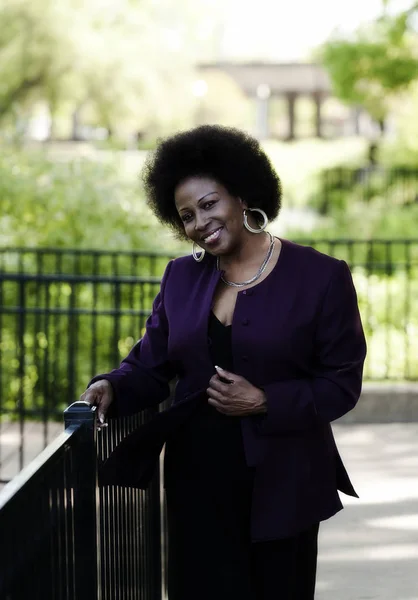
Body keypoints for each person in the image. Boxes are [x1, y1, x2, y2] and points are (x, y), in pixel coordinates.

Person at [81, 125, 367, 600]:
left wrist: (265, 400)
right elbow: (151, 364)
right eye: (186, 215)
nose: (200, 222)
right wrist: (111, 386)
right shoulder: (181, 277)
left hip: (286, 479)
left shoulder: (320, 276)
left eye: (209, 204)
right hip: (199, 481)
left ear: (241, 195)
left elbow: (341, 384)